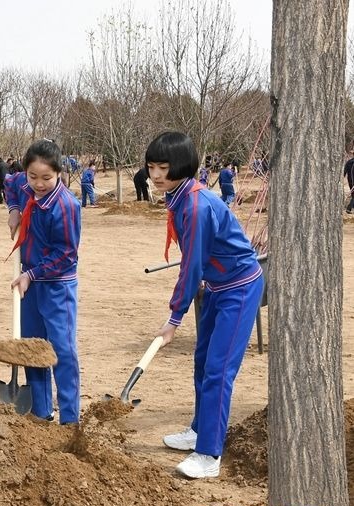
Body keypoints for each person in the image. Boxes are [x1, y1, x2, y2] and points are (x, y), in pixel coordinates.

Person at [145, 131, 264, 479]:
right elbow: (196, 263)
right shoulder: (179, 197)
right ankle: (200, 429)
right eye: (151, 167)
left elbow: (191, 264)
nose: (155, 175)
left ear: (181, 166)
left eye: (163, 167)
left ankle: (209, 454)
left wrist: (174, 317)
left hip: (238, 288)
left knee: (218, 370)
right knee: (202, 363)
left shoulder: (195, 205)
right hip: (215, 286)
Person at [5, 139, 81, 424]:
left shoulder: (66, 206)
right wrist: (14, 208)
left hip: (57, 285)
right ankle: (40, 412)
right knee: (33, 348)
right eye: (33, 176)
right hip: (29, 283)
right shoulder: (22, 185)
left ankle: (70, 419)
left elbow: (67, 255)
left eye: (46, 178)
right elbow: (9, 182)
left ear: (59, 173)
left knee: (62, 351)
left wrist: (31, 274)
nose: (38, 183)